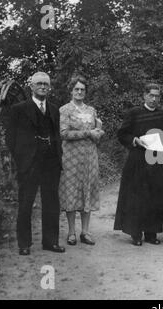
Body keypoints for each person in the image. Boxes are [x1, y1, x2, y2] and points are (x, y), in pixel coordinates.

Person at [5, 72, 65, 255]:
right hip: (29, 164)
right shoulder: (18, 109)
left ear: (49, 87)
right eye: (39, 83)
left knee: (51, 203)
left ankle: (50, 242)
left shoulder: (54, 110)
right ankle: (24, 244)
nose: (43, 87)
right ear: (31, 86)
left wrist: (58, 156)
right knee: (26, 202)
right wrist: (21, 160)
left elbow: (57, 136)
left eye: (46, 84)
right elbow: (10, 139)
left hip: (51, 163)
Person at [114, 83, 163, 246]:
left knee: (155, 196)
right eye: (151, 95)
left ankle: (151, 234)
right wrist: (134, 140)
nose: (154, 99)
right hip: (137, 161)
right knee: (136, 198)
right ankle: (136, 234)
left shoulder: (162, 114)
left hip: (156, 161)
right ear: (144, 96)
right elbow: (122, 134)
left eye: (157, 96)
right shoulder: (134, 113)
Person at [59, 75, 104, 246]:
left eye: (82, 89)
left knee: (87, 191)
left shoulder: (91, 111)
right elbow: (63, 134)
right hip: (71, 157)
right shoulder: (64, 110)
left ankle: (85, 231)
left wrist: (98, 132)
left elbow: (96, 134)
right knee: (71, 191)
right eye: (76, 89)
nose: (79, 92)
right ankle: (71, 232)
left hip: (90, 156)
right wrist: (88, 133)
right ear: (71, 90)